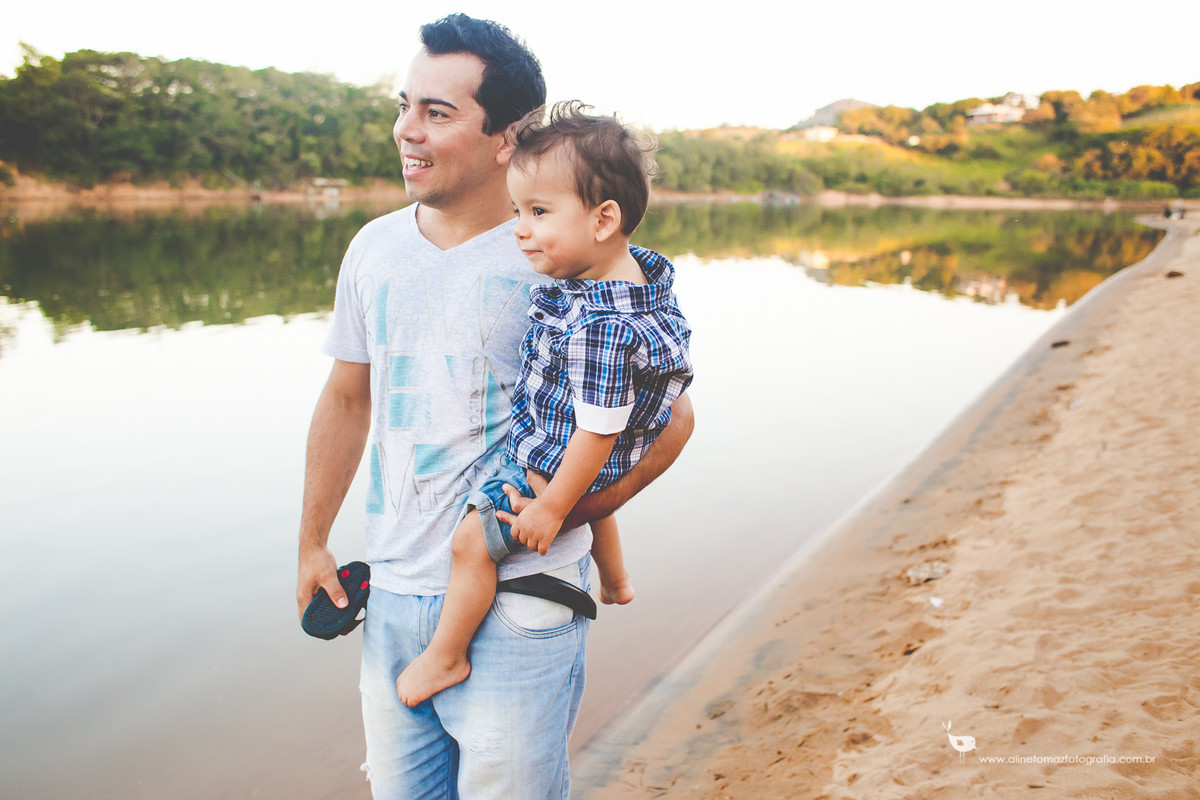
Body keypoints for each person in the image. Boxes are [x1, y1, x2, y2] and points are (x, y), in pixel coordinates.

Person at [294, 14, 693, 800]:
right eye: (405, 104)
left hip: (519, 600)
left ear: (508, 137)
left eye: (437, 113)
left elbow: (670, 421)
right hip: (394, 596)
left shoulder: (567, 259)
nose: (407, 130)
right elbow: (346, 400)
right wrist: (310, 541)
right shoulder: (373, 248)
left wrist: (558, 514)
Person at [394, 101, 693, 708]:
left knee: (468, 546)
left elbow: (596, 434)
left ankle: (444, 657)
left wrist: (551, 507)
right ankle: (616, 579)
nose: (519, 230)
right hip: (596, 450)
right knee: (598, 480)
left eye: (537, 212)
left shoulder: (601, 327)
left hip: (558, 462)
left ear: (604, 219)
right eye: (516, 212)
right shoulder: (637, 282)